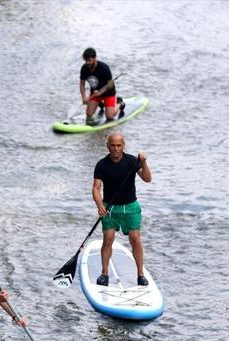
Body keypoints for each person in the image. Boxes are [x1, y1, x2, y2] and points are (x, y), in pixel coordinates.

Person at [92, 132, 152, 287]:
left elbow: (147, 178)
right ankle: (104, 274)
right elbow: (96, 188)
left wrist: (144, 162)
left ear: (123, 146)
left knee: (135, 239)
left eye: (119, 145)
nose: (116, 148)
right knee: (108, 239)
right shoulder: (101, 165)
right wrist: (100, 206)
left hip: (130, 208)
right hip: (110, 208)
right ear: (107, 146)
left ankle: (140, 275)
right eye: (112, 145)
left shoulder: (132, 161)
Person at [79, 47, 123, 125]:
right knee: (89, 114)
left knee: (109, 117)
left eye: (89, 60)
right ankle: (100, 103)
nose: (87, 62)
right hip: (95, 94)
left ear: (95, 58)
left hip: (108, 93)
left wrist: (100, 92)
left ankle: (120, 103)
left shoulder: (104, 68)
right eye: (86, 60)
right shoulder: (84, 68)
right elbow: (82, 84)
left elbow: (110, 84)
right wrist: (84, 97)